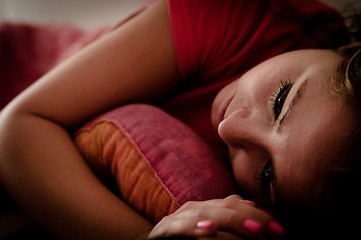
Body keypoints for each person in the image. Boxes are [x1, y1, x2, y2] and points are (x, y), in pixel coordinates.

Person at [0, 0, 359, 239]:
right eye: (281, 100)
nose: (228, 129)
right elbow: (17, 125)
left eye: (267, 175)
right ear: (348, 50)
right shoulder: (239, 14)